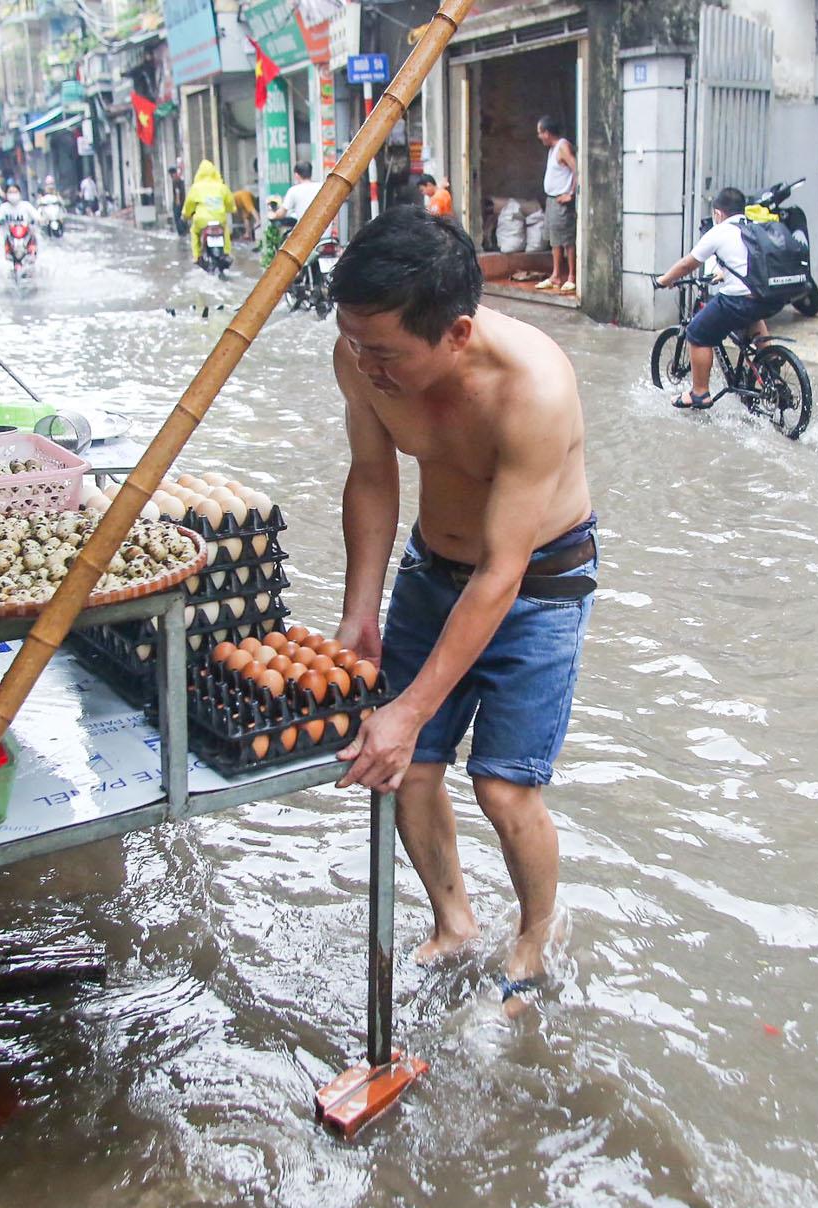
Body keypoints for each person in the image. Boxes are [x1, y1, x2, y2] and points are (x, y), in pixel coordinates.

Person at [327, 208, 595, 1007]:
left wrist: (409, 708)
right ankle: (454, 924)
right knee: (402, 772)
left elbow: (502, 575)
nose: (365, 364)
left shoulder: (533, 389)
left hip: (537, 581)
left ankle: (535, 938)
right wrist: (359, 611)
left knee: (504, 787)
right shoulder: (359, 354)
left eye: (385, 353)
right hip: (431, 566)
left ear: (456, 333)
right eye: (354, 341)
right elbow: (373, 478)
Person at [653, 186, 777, 410]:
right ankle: (772, 373)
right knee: (753, 320)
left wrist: (664, 280)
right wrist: (724, 274)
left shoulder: (719, 231)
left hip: (739, 300)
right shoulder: (754, 228)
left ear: (718, 214)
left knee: (697, 331)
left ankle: (699, 393)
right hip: (768, 298)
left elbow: (687, 264)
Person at [535, 114, 577, 294]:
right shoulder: (552, 149)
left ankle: (572, 277)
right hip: (552, 199)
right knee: (555, 239)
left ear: (547, 132)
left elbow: (577, 169)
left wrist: (571, 194)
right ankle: (556, 275)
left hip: (562, 200)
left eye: (540, 132)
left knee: (567, 239)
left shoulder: (563, 147)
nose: (539, 136)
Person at [181, 159, 235, 263]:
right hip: (219, 218)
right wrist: (231, 209)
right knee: (225, 230)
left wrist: (185, 215)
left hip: (201, 221)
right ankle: (227, 252)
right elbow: (230, 204)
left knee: (194, 231)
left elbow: (188, 206)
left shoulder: (195, 188)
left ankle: (197, 256)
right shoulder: (222, 187)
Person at [0, 183, 41, 263]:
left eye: (15, 192)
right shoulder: (4, 207)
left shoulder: (26, 206)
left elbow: (37, 217)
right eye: (10, 192)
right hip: (11, 239)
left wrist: (41, 220)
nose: (13, 194)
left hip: (26, 237)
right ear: (6, 194)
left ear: (19, 193)